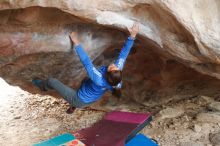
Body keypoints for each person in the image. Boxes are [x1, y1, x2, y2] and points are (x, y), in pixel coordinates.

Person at [33, 22, 139, 114]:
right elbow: (124, 54)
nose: (113, 65)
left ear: (107, 75)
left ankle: (41, 86)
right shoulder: (115, 77)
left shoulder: (98, 78)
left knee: (52, 81)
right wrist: (133, 35)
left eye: (112, 68)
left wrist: (77, 43)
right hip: (91, 98)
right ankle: (73, 106)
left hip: (79, 99)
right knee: (86, 80)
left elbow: (86, 62)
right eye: (115, 67)